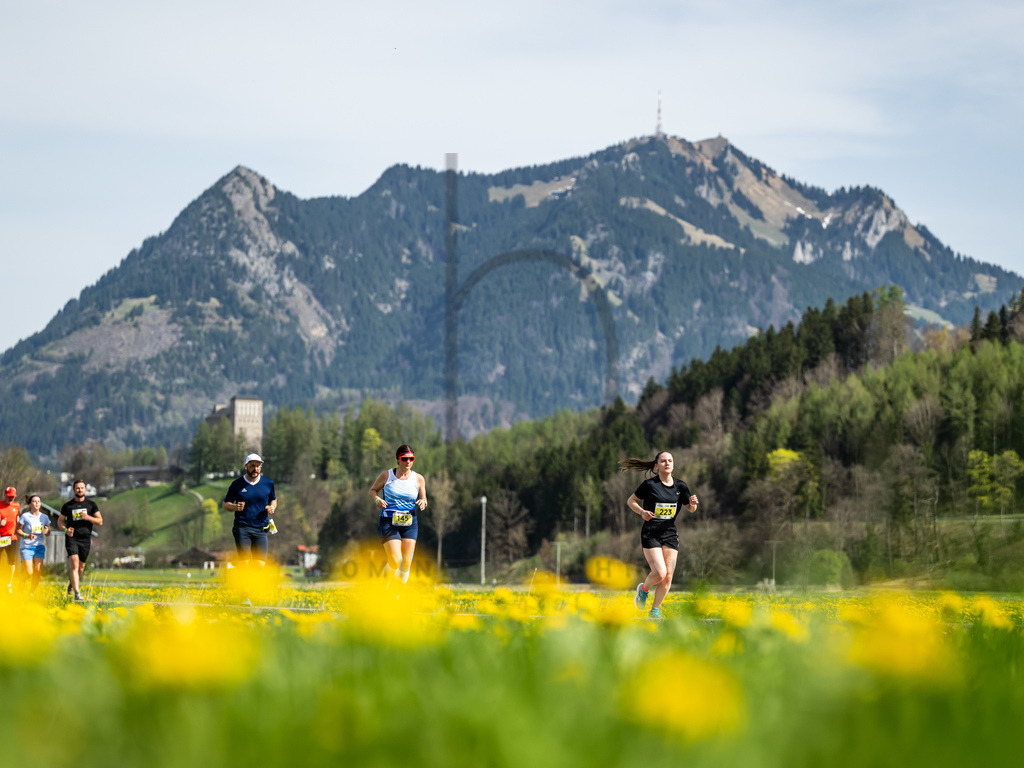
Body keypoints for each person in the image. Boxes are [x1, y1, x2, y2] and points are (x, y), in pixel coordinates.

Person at [620, 451, 698, 619]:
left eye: (670, 460)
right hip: (651, 532)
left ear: (673, 464)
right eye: (663, 461)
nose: (667, 463)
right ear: (656, 466)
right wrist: (642, 512)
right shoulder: (649, 485)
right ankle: (644, 589)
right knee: (660, 573)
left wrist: (693, 504)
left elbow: (690, 509)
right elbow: (630, 501)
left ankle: (655, 610)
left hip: (669, 532)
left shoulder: (681, 486)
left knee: (668, 576)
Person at [369, 444, 427, 588]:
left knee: (406, 563)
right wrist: (377, 500)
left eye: (411, 458)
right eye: (404, 458)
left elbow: (424, 498)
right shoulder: (386, 476)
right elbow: (373, 490)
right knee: (395, 561)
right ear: (398, 459)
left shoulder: (418, 479)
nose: (408, 461)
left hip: (410, 522)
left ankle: (397, 597)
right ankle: (381, 586)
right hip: (389, 522)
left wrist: (423, 502)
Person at [223, 453, 277, 570]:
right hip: (243, 528)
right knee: (245, 564)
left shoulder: (268, 483)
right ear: (246, 466)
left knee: (260, 565)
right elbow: (225, 504)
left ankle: (255, 588)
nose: (255, 469)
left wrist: (272, 507)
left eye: (258, 466)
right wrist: (235, 507)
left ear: (261, 467)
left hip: (262, 529)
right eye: (252, 466)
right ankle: (243, 587)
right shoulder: (237, 484)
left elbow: (273, 499)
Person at [58, 479, 102, 601]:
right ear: (73, 490)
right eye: (77, 488)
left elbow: (100, 521)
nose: (79, 490)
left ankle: (72, 585)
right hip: (72, 538)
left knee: (81, 568)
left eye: (82, 488)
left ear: (85, 490)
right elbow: (59, 522)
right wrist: (66, 530)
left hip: (85, 539)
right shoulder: (67, 506)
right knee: (74, 563)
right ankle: (77, 594)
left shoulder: (91, 505)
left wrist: (88, 517)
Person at [18, 495, 50, 596]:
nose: (37, 503)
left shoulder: (44, 517)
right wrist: (27, 535)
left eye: (38, 501)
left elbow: (48, 532)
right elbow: (17, 529)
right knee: (29, 572)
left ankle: (31, 593)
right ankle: (20, 584)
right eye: (34, 501)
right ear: (30, 504)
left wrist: (47, 531)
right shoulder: (25, 516)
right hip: (26, 546)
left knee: (37, 572)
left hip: (39, 546)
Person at [0, 487, 20, 593]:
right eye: (9, 496)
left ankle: (9, 584)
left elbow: (17, 518)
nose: (11, 498)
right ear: (5, 495)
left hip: (12, 537)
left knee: (11, 562)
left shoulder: (17, 506)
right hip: (1, 537)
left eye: (13, 497)